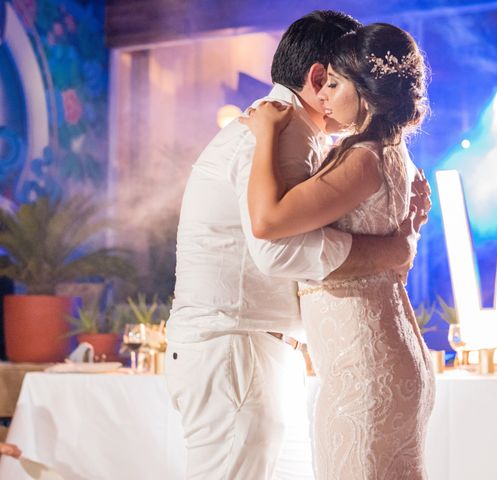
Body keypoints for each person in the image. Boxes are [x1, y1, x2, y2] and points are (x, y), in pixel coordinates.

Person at [165, 11, 431, 480]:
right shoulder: (282, 134)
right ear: (317, 76)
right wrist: (392, 252)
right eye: (333, 81)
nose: (331, 95)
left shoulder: (332, 145)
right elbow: (278, 251)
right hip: (236, 348)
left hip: (259, 349)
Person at [241, 23, 435, 478]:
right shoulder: (390, 153)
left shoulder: (363, 159)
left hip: (365, 372)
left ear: (365, 90)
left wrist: (266, 132)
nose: (323, 94)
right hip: (381, 358)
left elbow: (267, 221)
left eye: (335, 83)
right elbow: (396, 260)